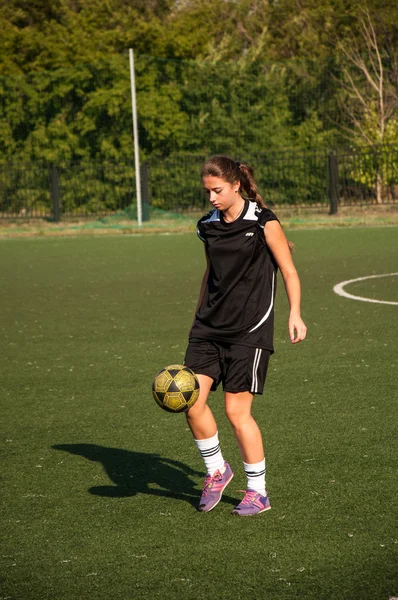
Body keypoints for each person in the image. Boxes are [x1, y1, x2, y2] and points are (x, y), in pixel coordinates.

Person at [184, 155, 307, 516]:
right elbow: (211, 276)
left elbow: (289, 271)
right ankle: (217, 471)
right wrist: (196, 319)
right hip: (207, 328)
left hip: (249, 330)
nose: (211, 198)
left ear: (236, 185)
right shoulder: (206, 226)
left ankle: (258, 492)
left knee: (236, 412)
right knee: (191, 402)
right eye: (207, 191)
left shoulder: (264, 222)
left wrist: (295, 314)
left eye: (217, 190)